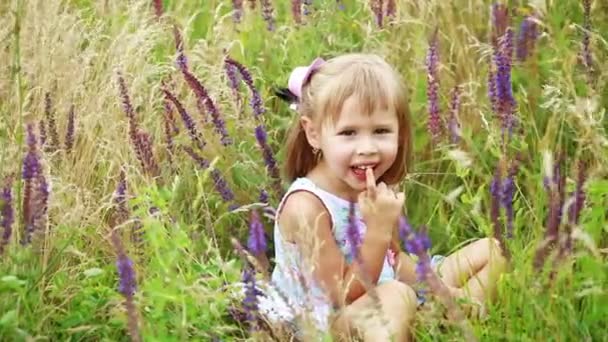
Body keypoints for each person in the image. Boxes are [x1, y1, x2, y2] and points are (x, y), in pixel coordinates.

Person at [268, 53, 506, 341]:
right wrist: (378, 229)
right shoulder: (306, 206)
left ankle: (450, 325)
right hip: (326, 325)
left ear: (400, 132)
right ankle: (429, 325)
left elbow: (394, 262)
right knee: (395, 295)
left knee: (491, 250)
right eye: (348, 133)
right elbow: (344, 294)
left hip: (387, 300)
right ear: (314, 133)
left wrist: (438, 290)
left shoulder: (375, 190)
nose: (367, 147)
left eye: (381, 131)